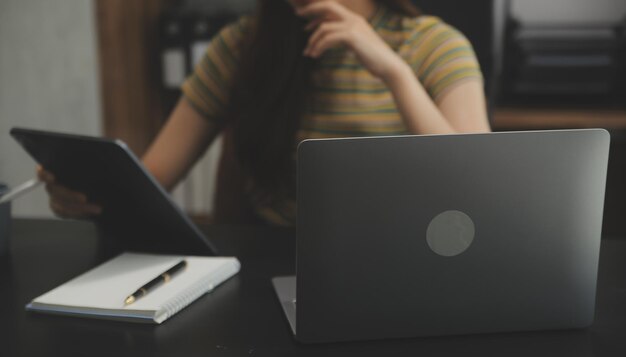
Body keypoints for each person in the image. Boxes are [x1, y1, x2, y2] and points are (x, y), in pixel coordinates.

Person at [38, 0, 491, 226]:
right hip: (271, 269)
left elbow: (478, 188)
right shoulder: (242, 46)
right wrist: (86, 197)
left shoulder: (434, 46)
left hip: (402, 265)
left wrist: (395, 73)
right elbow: (154, 179)